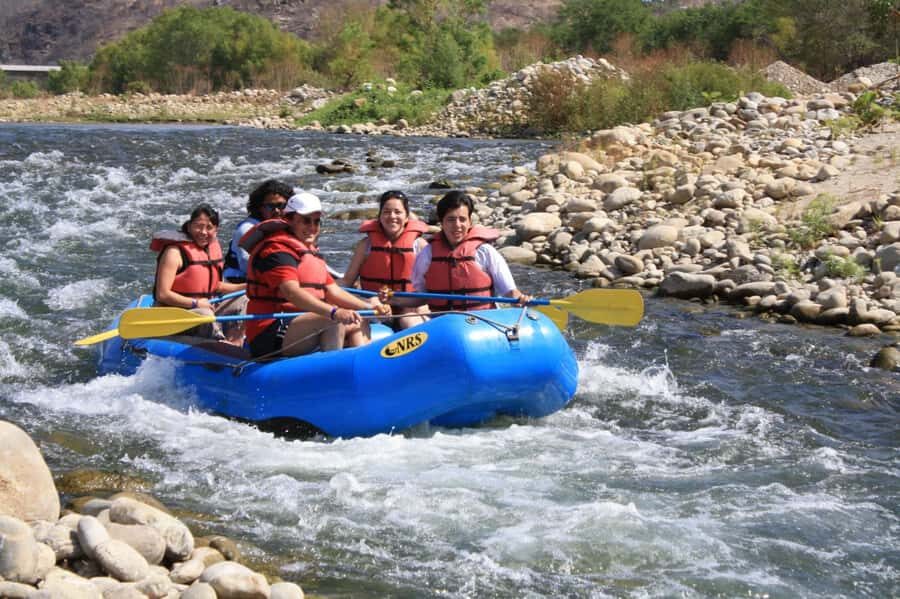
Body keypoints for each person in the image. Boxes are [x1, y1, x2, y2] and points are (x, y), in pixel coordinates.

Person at [241, 192, 390, 358]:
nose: (312, 227)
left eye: (316, 221)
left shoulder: (309, 251)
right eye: (306, 220)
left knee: (360, 319)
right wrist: (333, 312)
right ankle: (332, 373)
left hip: (302, 322)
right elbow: (292, 293)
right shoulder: (276, 251)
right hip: (270, 329)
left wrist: (369, 308)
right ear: (289, 220)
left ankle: (362, 368)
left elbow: (333, 291)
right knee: (332, 320)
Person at [409, 190, 531, 312]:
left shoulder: (485, 251)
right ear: (442, 223)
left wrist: (521, 299)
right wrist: (392, 300)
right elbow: (420, 296)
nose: (457, 225)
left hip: (481, 322)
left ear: (469, 222)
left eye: (462, 219)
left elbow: (510, 291)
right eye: (451, 219)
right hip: (443, 322)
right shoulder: (428, 253)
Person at [151, 203, 247, 342]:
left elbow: (216, 286)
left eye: (209, 227)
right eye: (198, 226)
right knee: (205, 314)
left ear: (216, 230)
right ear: (189, 226)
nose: (203, 232)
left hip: (206, 305)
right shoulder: (174, 252)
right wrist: (195, 303)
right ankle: (219, 342)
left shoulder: (213, 247)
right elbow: (162, 294)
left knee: (246, 299)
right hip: (176, 311)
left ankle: (235, 342)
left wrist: (246, 287)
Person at [340, 190, 431, 329]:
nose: (392, 216)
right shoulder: (366, 245)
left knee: (409, 319)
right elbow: (347, 281)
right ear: (380, 216)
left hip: (410, 305)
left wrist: (423, 304)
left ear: (407, 217)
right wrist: (323, 289)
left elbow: (431, 287)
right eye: (386, 212)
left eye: (397, 212)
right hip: (378, 305)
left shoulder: (420, 246)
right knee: (373, 302)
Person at [223, 179, 293, 283]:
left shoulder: (292, 226)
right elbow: (245, 265)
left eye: (281, 205)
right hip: (238, 283)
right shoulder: (247, 229)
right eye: (271, 206)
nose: (277, 211)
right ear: (260, 208)